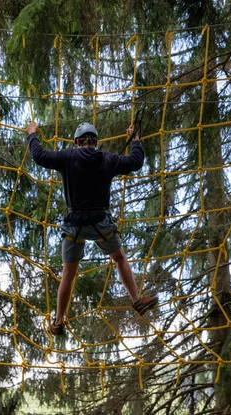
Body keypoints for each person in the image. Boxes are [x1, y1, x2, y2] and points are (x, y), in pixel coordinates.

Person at [26, 121, 158, 336]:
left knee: (68, 273)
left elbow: (39, 156)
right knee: (119, 258)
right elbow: (136, 162)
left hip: (74, 225)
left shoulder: (67, 157)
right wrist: (135, 139)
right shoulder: (108, 159)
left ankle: (58, 322)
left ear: (77, 142)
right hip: (100, 223)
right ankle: (136, 300)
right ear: (96, 141)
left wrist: (32, 134)